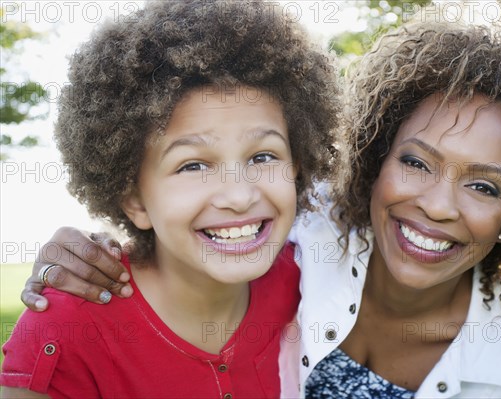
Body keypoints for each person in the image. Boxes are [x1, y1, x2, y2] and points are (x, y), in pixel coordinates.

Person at [16, 19, 501, 399]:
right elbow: (204, 214)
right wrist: (83, 248)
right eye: (417, 163)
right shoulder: (303, 232)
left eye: (485, 187)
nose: (437, 205)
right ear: (373, 162)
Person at [0, 1, 341, 398]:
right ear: (135, 200)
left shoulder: (312, 283)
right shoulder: (64, 329)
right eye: (193, 165)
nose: (239, 195)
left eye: (263, 156)